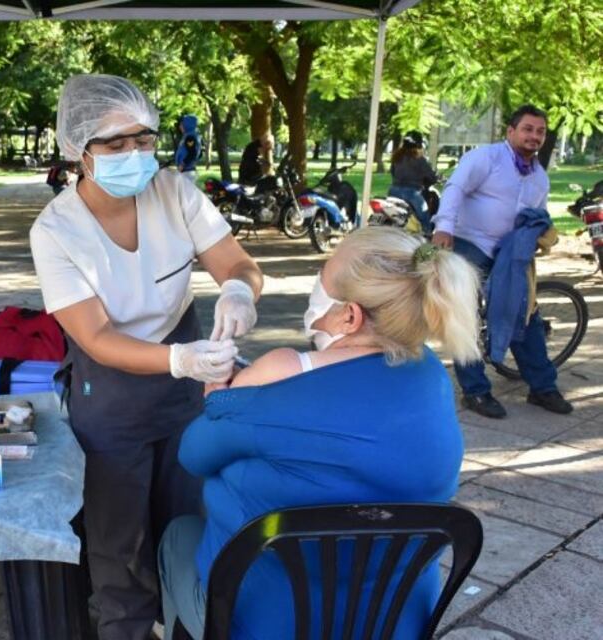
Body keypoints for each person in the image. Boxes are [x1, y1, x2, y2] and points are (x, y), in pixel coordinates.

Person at [158, 226, 481, 640]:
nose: (316, 288)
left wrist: (220, 399)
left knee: (178, 536)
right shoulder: (434, 379)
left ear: (350, 315)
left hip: (268, 621)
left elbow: (194, 453)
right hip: (393, 620)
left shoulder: (279, 371)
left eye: (323, 278)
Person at [29, 74, 263, 640]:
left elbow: (238, 263)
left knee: (188, 520)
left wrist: (237, 290)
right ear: (77, 151)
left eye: (145, 139)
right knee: (120, 542)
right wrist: (179, 359)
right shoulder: (56, 230)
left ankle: (185, 622)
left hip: (183, 394)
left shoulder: (174, 192)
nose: (135, 153)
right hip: (109, 393)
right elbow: (98, 337)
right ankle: (126, 629)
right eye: (116, 143)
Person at [432, 104, 573, 418]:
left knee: (524, 314)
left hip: (509, 253)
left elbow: (538, 214)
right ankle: (476, 392)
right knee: (464, 314)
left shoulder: (539, 177)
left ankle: (543, 387)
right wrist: (444, 227)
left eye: (540, 131)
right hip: (470, 243)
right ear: (511, 131)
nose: (534, 136)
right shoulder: (486, 158)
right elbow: (455, 188)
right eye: (528, 129)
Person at [389, 130, 438, 234]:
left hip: (393, 191)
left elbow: (392, 172)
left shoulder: (396, 157)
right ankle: (428, 235)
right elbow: (431, 177)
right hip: (411, 193)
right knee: (424, 214)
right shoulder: (419, 159)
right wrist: (434, 178)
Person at [174, 115, 202, 182]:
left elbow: (192, 153)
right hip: (188, 171)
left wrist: (182, 165)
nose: (180, 127)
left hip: (187, 172)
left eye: (182, 124)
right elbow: (199, 154)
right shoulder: (192, 135)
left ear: (187, 125)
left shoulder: (190, 137)